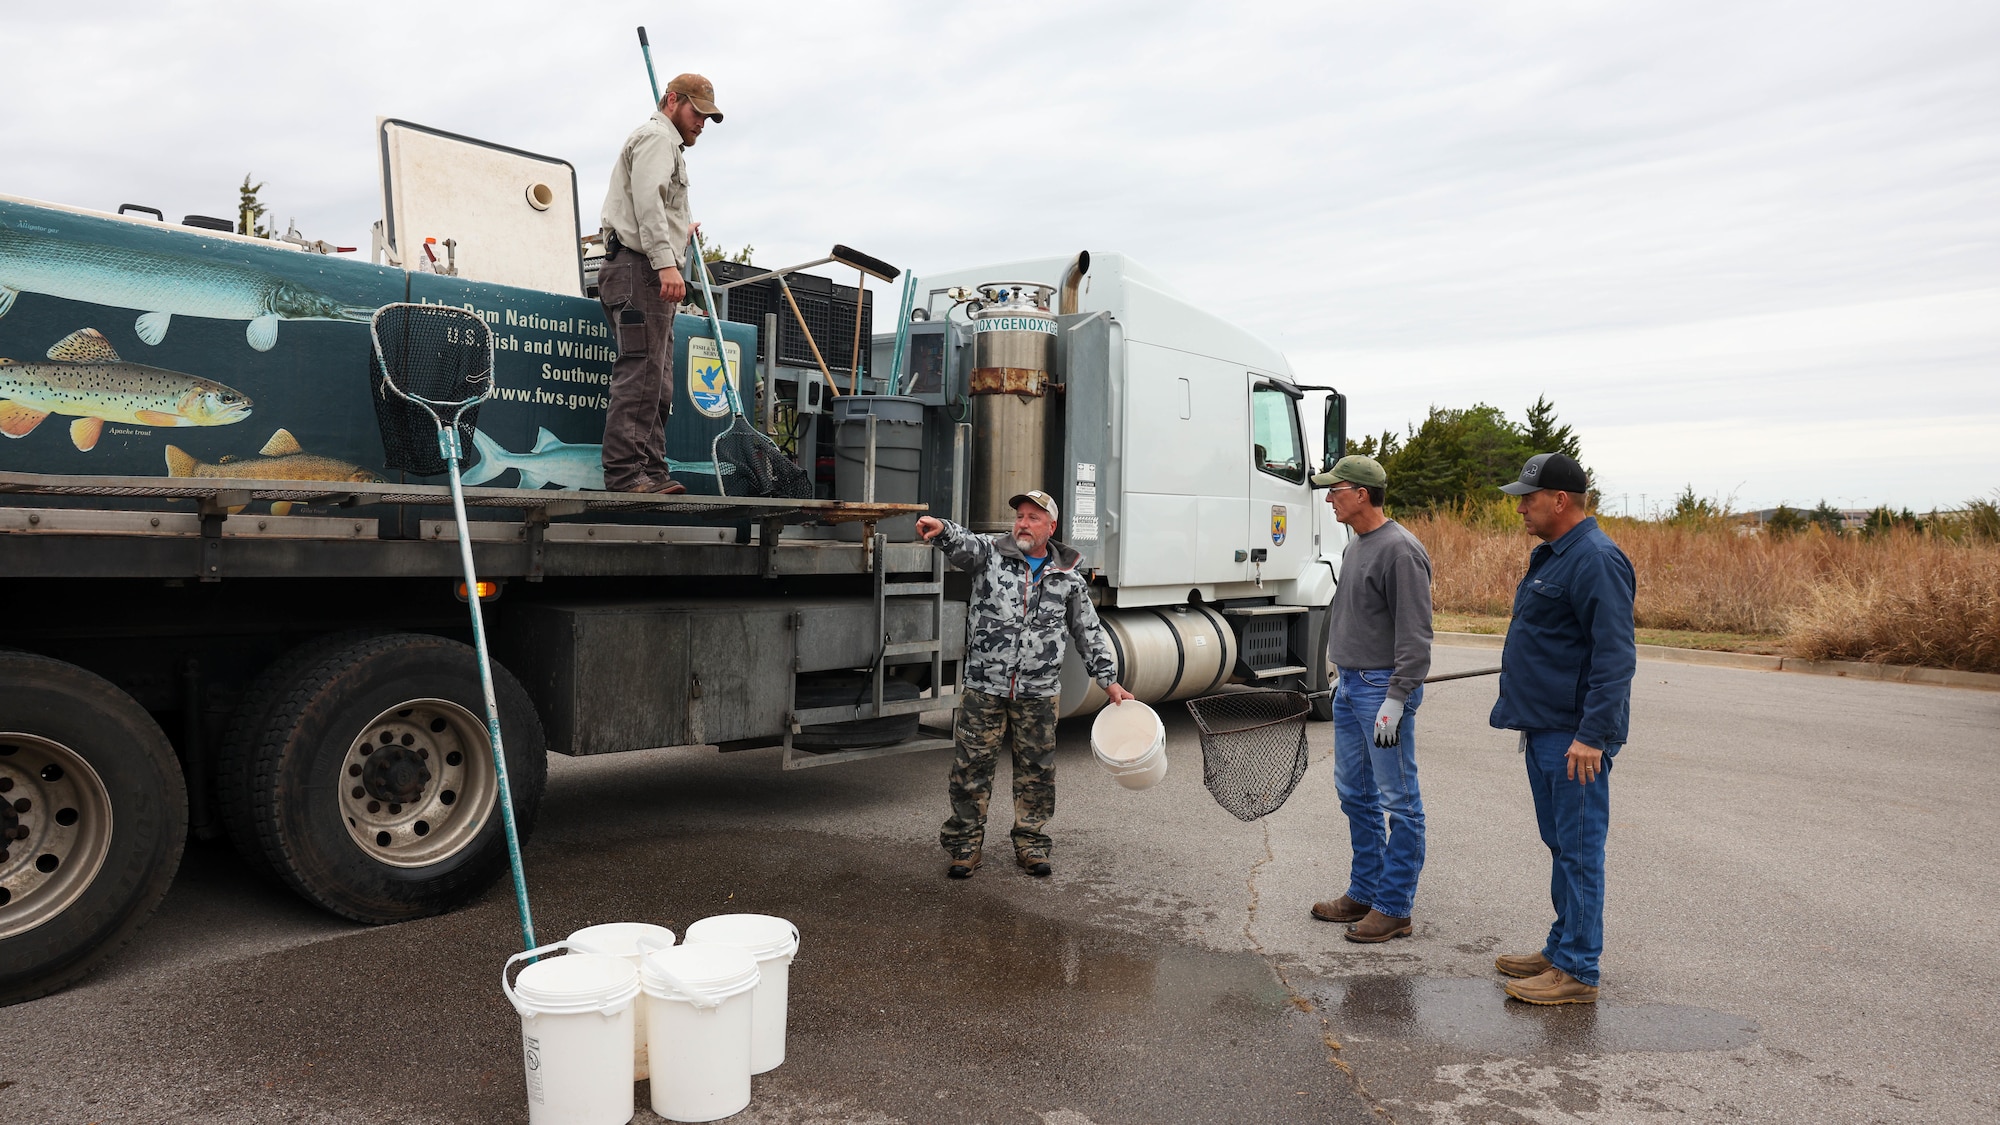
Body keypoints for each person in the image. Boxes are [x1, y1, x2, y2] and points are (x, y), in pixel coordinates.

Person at [915, 491, 1135, 880]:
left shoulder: (1068, 576)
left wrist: (1109, 681)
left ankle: (1031, 844)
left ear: (1051, 528)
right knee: (970, 770)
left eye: (1034, 517)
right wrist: (942, 530)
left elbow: (1088, 630)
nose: (1023, 523)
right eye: (1019, 515)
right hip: (984, 686)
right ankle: (965, 846)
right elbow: (963, 543)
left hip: (1039, 691)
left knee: (1036, 772)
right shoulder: (990, 553)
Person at [1490, 452, 1637, 1005]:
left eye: (1529, 497)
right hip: (1545, 725)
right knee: (1560, 843)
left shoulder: (1596, 559)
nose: (1521, 507)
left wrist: (1592, 735)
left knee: (1578, 848)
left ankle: (1578, 969)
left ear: (1561, 500)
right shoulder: (1554, 555)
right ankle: (1561, 947)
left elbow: (1615, 657)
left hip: (1575, 737)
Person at [1306, 455, 1435, 943]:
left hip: (1383, 694)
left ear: (1362, 494)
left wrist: (1397, 697)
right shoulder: (1356, 546)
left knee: (1398, 800)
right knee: (1354, 793)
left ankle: (1395, 906)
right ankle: (1364, 891)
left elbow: (1415, 634)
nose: (1328, 498)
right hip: (1352, 688)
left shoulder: (1400, 551)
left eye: (1335, 489)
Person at [596, 73, 724, 494]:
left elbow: (651, 208)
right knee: (642, 372)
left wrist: (678, 233)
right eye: (697, 112)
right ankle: (626, 474)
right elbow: (648, 203)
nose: (702, 123)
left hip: (643, 267)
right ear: (672, 100)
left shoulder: (664, 143)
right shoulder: (657, 138)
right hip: (640, 271)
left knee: (657, 376)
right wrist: (666, 263)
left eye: (708, 117)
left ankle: (649, 470)